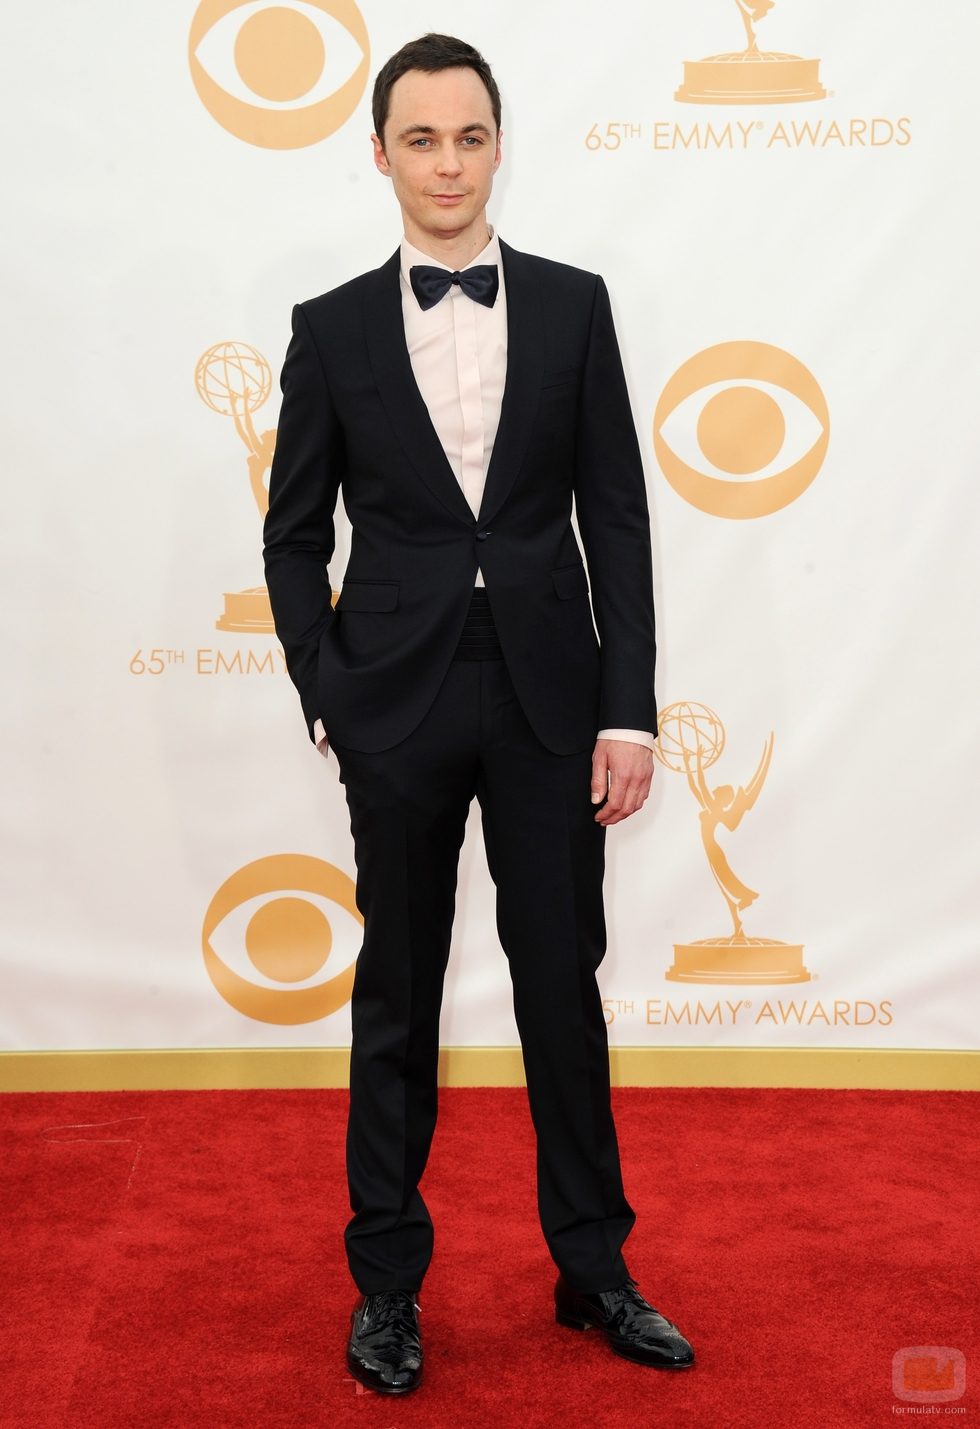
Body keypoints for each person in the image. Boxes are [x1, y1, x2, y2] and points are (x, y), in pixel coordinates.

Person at [262, 32, 695, 1396]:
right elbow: (292, 536)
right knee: (396, 993)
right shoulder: (329, 329)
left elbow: (615, 518)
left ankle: (594, 1269)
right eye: (419, 139)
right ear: (380, 154)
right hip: (393, 704)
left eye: (469, 136)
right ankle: (387, 1283)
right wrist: (328, 686)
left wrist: (627, 707)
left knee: (561, 990)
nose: (446, 163)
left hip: (549, 702)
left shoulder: (573, 306)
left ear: (500, 145)